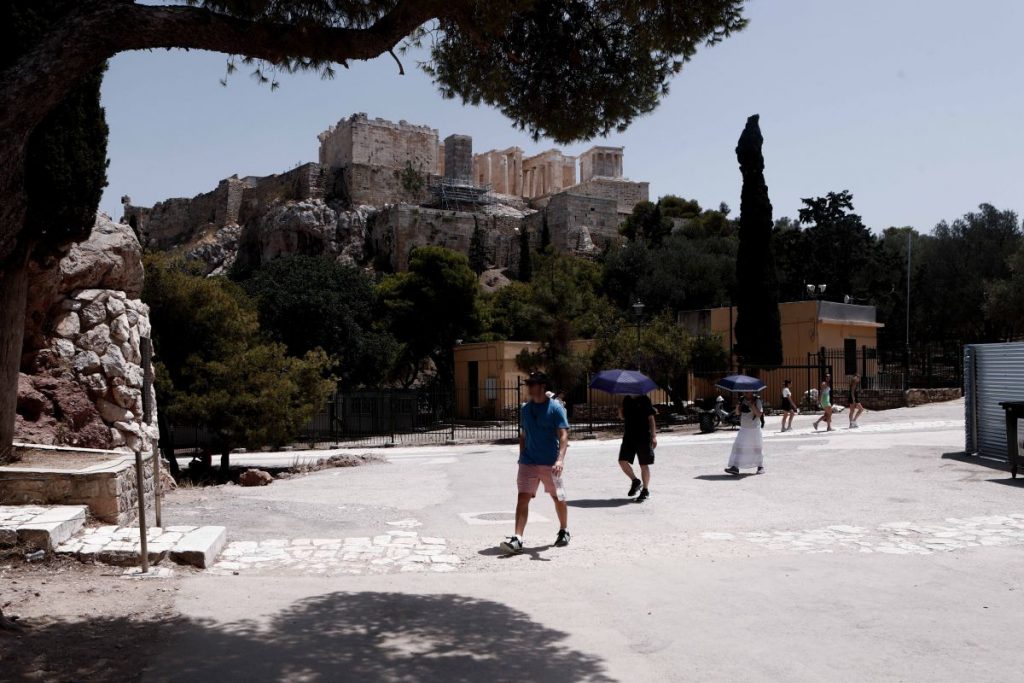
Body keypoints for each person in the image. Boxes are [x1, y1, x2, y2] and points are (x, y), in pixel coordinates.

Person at [500, 372, 570, 555]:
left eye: (532, 384)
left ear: (542, 386)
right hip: (528, 462)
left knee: (558, 497)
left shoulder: (555, 408)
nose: (529, 387)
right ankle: (517, 538)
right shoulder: (525, 409)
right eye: (528, 384)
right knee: (522, 498)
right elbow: (523, 435)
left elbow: (563, 435)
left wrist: (560, 459)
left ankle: (564, 530)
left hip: (550, 462)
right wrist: (522, 457)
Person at [618, 394, 657, 502]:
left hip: (643, 436)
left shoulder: (644, 399)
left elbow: (651, 418)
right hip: (629, 437)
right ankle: (635, 481)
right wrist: (620, 409)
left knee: (643, 464)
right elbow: (622, 417)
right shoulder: (626, 399)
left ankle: (645, 490)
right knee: (622, 461)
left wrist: (653, 436)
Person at [724, 391, 765, 475]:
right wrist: (737, 406)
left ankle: (760, 467)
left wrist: (752, 405)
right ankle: (735, 467)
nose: (745, 394)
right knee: (738, 447)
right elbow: (737, 413)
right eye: (744, 392)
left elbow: (759, 414)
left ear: (751, 392)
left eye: (747, 392)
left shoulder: (757, 400)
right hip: (744, 428)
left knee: (757, 448)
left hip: (754, 428)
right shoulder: (742, 400)